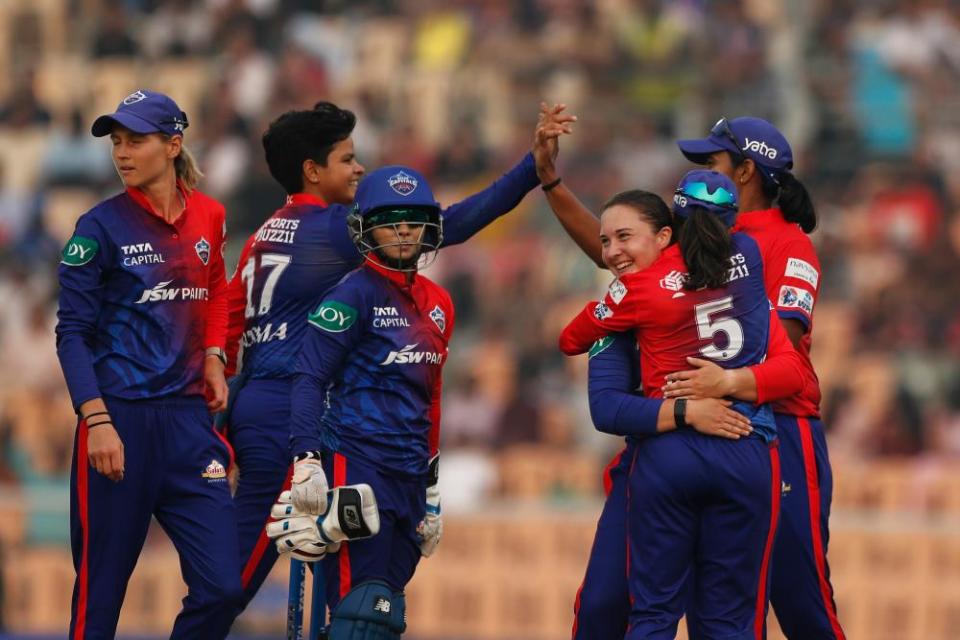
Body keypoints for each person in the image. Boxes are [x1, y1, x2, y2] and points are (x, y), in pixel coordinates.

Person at [219, 101, 574, 622]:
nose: (359, 169)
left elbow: (228, 321)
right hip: (296, 409)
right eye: (347, 159)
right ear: (313, 172)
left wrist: (224, 407)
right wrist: (532, 167)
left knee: (265, 578)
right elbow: (448, 225)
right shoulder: (337, 228)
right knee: (241, 586)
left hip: (258, 396)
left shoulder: (263, 236)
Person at [559, 170, 804, 639]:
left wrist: (718, 384)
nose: (610, 251)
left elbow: (579, 357)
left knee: (647, 612)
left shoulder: (631, 296)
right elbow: (605, 409)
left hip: (665, 462)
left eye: (623, 237)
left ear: (667, 235)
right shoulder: (747, 272)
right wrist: (700, 403)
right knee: (729, 621)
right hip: (745, 447)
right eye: (605, 241)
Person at [55, 89, 238, 639]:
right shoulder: (98, 228)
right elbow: (72, 334)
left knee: (223, 587)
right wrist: (98, 421)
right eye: (116, 142)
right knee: (100, 598)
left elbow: (216, 290)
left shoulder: (210, 215)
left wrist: (213, 354)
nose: (122, 153)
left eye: (136, 140)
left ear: (173, 144)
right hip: (119, 424)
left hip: (186, 423)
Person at [673, 117, 844, 639]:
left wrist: (722, 383)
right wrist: (550, 185)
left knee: (800, 595)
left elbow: (787, 349)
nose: (702, 171)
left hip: (783, 426)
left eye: (713, 162)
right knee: (724, 601)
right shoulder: (697, 236)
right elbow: (618, 251)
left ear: (745, 171)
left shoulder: (791, 246)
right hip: (712, 424)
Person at [271, 165, 455, 637]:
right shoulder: (351, 295)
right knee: (359, 609)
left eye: (413, 219)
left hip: (410, 473)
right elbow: (309, 377)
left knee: (388, 613)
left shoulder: (439, 304)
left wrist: (432, 484)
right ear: (365, 226)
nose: (403, 230)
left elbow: (430, 395)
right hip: (358, 462)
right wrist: (307, 460)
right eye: (390, 219)